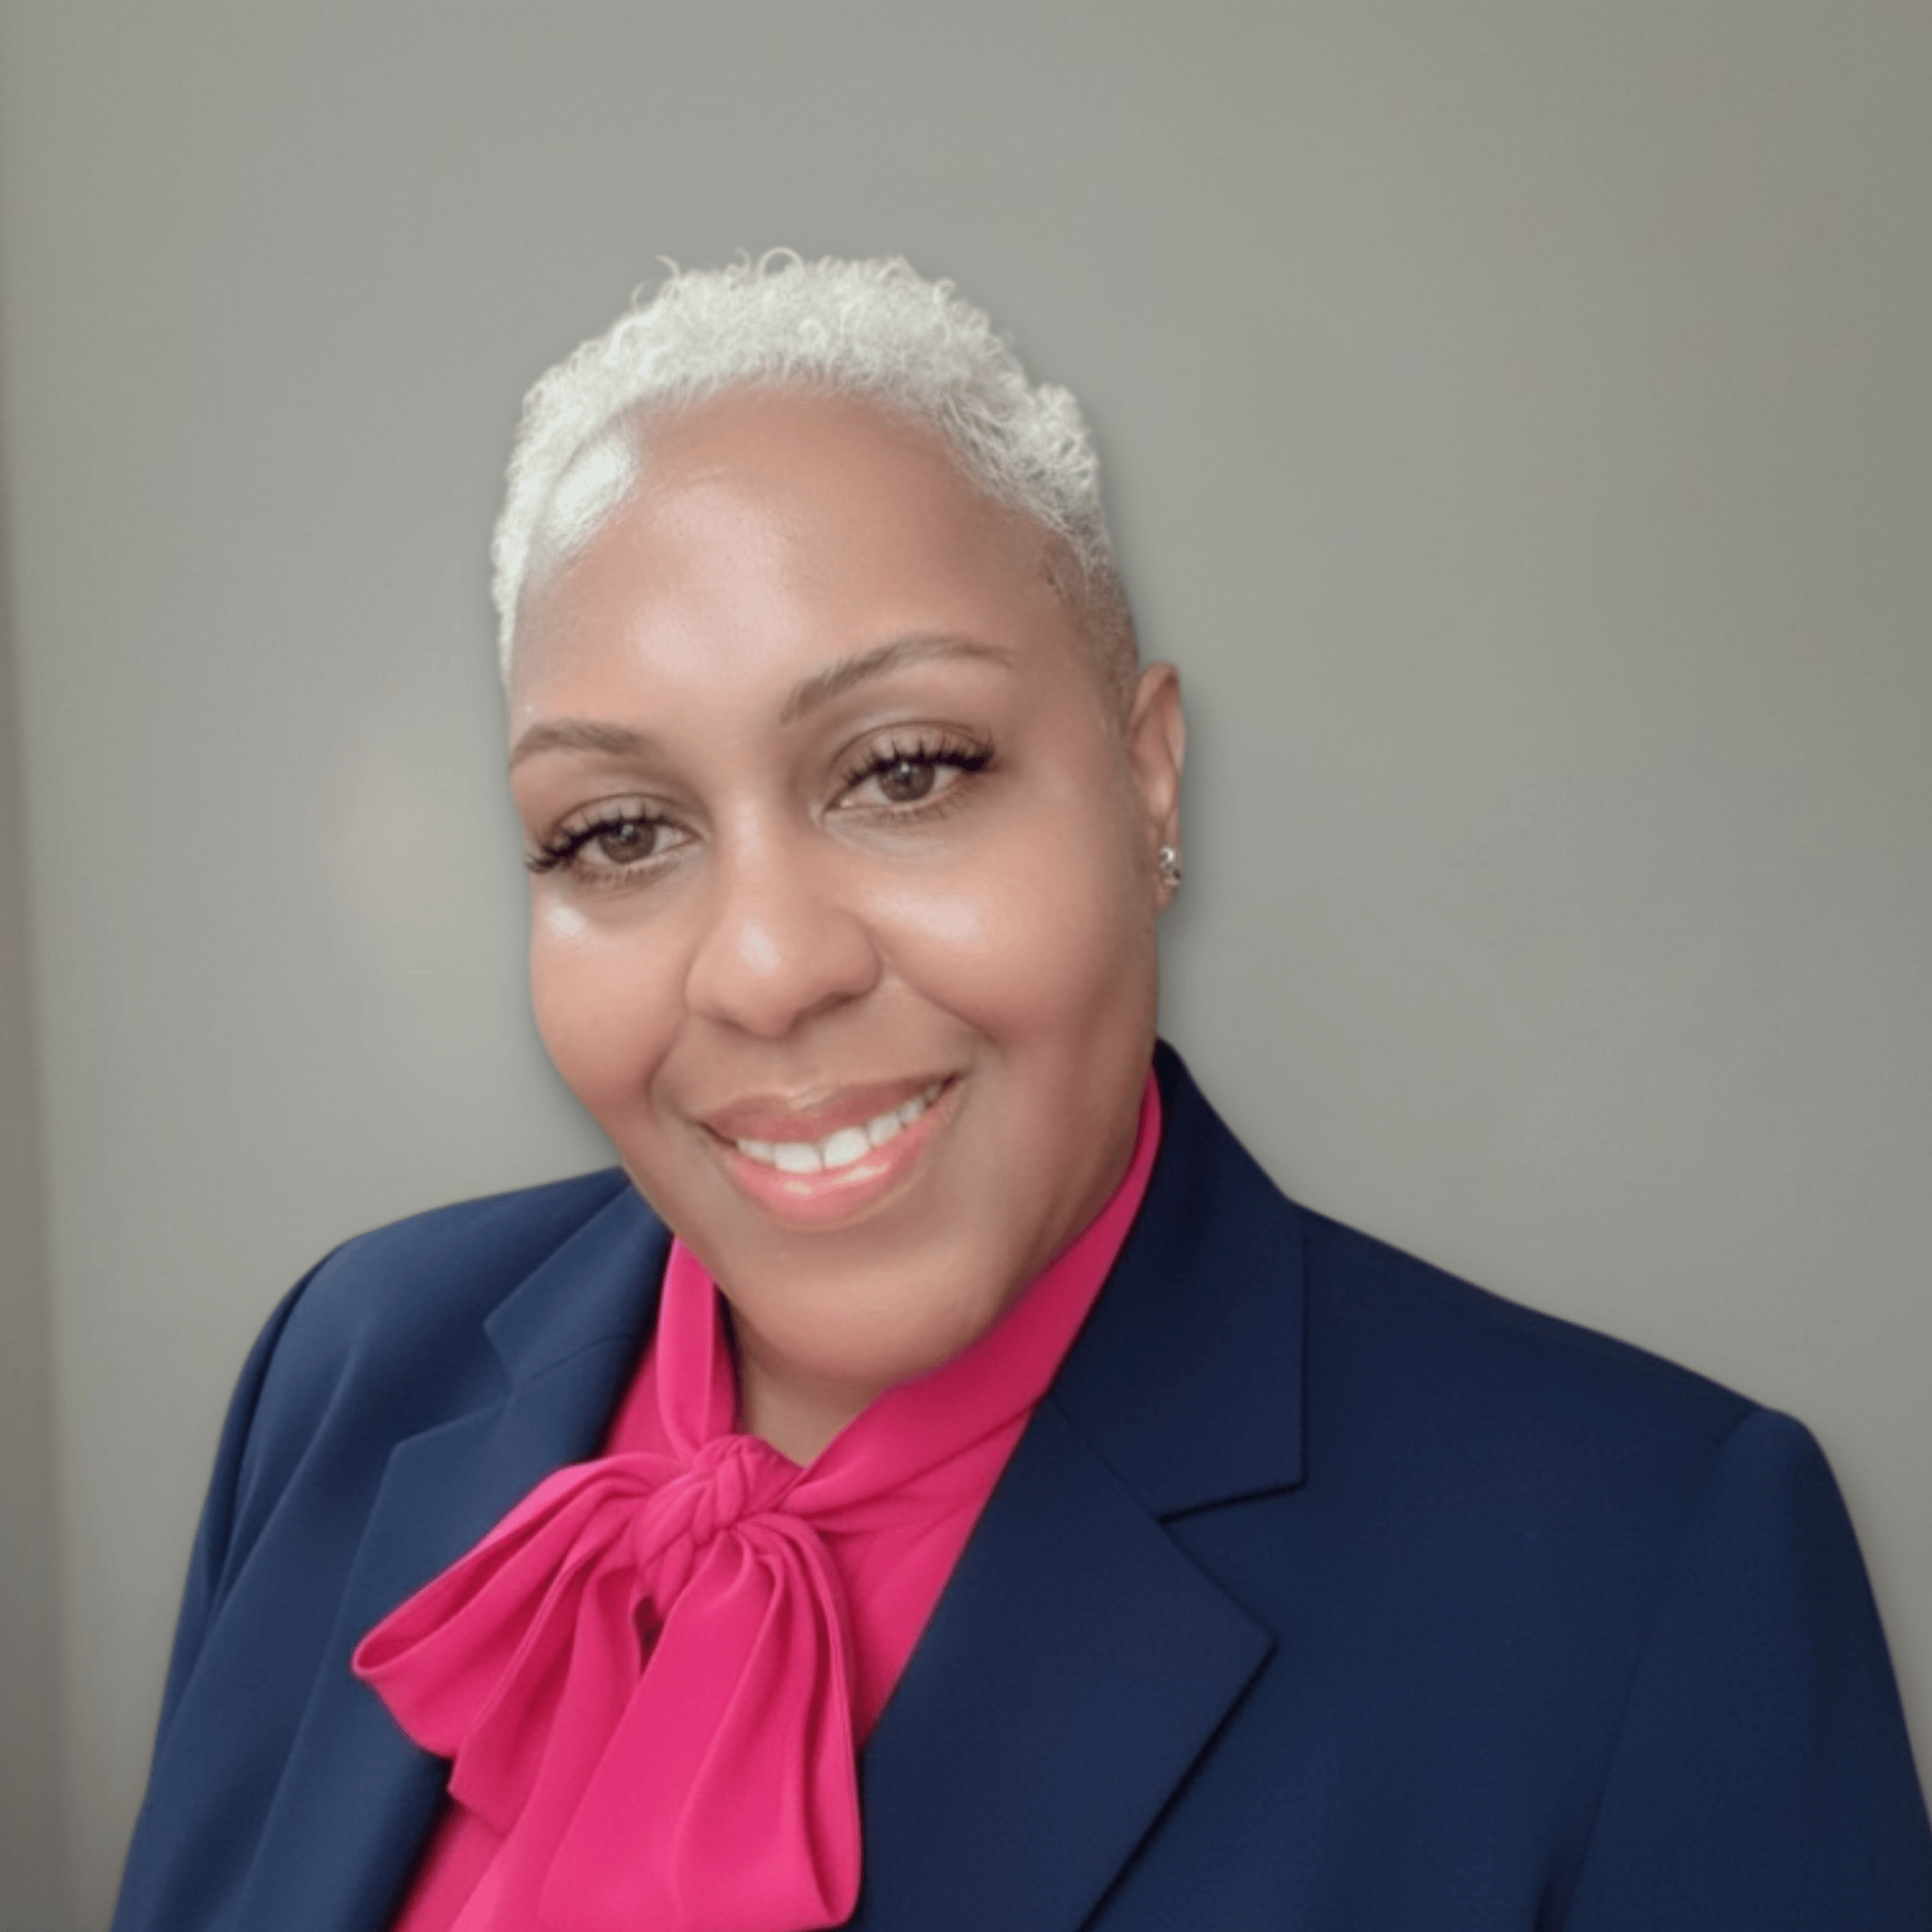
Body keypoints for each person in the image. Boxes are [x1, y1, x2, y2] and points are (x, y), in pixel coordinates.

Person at [112, 255, 1931, 1931]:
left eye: (904, 771)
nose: (763, 966)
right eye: (618, 829)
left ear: (1147, 785)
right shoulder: (350, 1367)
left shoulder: (1650, 1578)